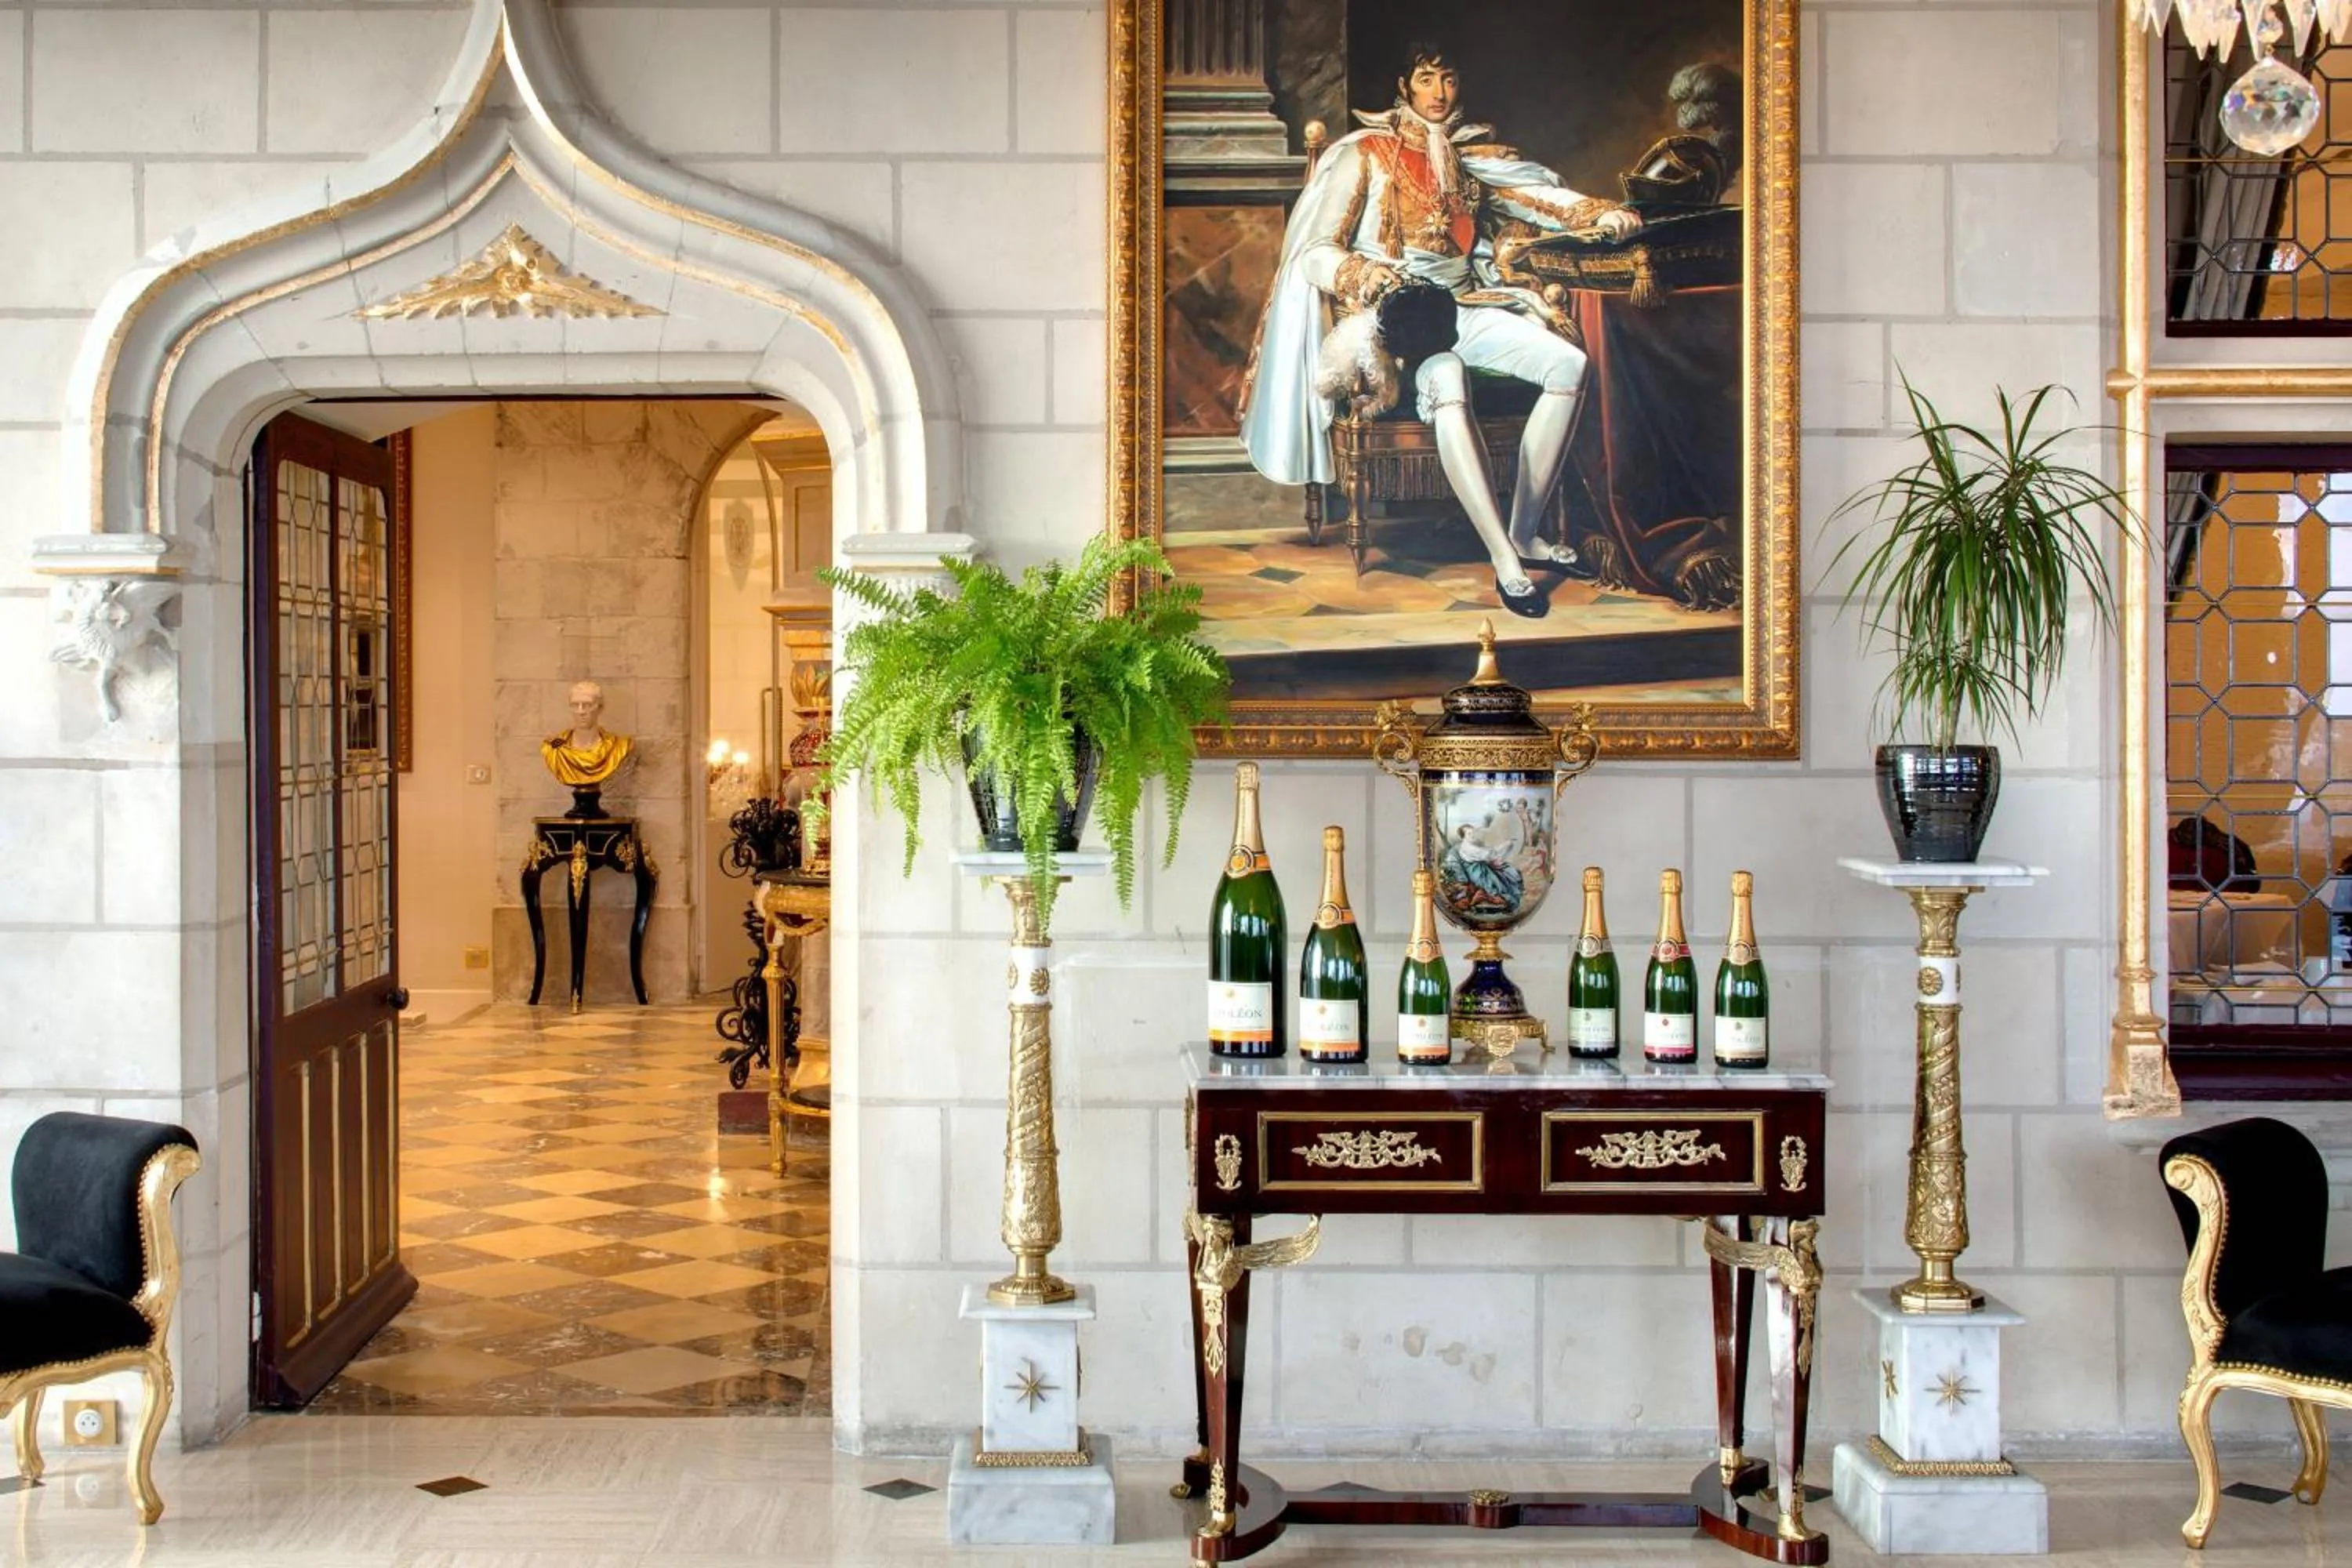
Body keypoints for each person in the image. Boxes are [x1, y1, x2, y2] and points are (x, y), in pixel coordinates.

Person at [1239, 41, 1643, 619]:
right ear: (1404, 86)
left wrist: (1600, 213)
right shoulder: (1366, 154)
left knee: (1568, 365)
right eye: (1427, 78)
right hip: (1396, 321)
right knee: (1447, 378)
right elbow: (1316, 254)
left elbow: (1541, 200)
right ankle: (1506, 560)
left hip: (1463, 303)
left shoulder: (1468, 157)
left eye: (1448, 79)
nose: (1439, 92)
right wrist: (1369, 273)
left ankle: (1525, 532)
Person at [541, 680, 633, 789]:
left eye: (588, 705)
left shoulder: (617, 746)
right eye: (575, 705)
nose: (581, 712)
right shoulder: (554, 748)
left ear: (600, 708)